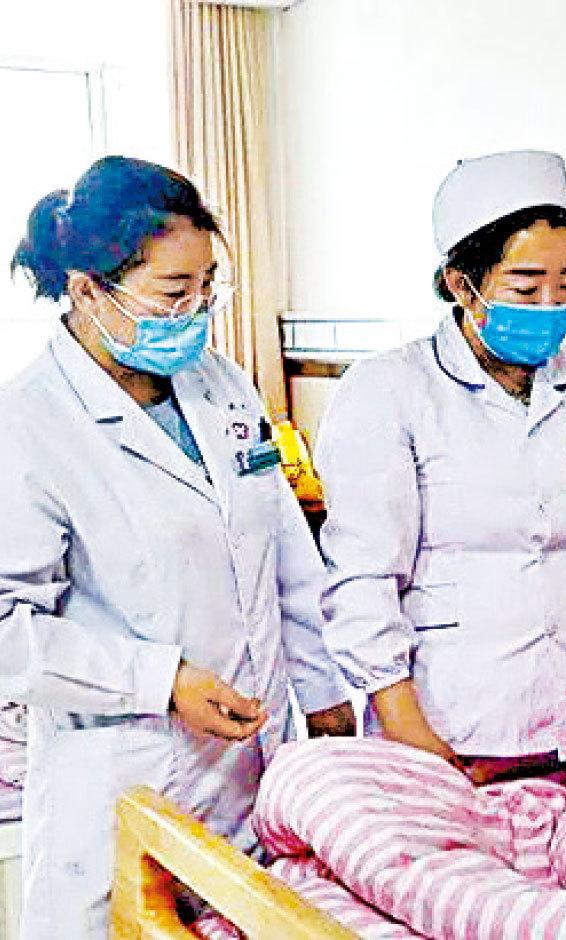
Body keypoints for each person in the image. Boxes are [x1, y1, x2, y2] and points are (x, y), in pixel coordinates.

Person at [0, 156, 354, 939]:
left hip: (255, 772)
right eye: (171, 293)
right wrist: (161, 680)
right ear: (87, 291)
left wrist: (326, 693)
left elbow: (284, 553)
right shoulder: (26, 425)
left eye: (207, 288)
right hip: (123, 779)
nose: (195, 314)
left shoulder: (221, 385)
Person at [316, 149, 566, 782]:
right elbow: (363, 582)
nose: (550, 305)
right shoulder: (389, 390)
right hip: (450, 720)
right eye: (526, 287)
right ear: (460, 283)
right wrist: (413, 735)